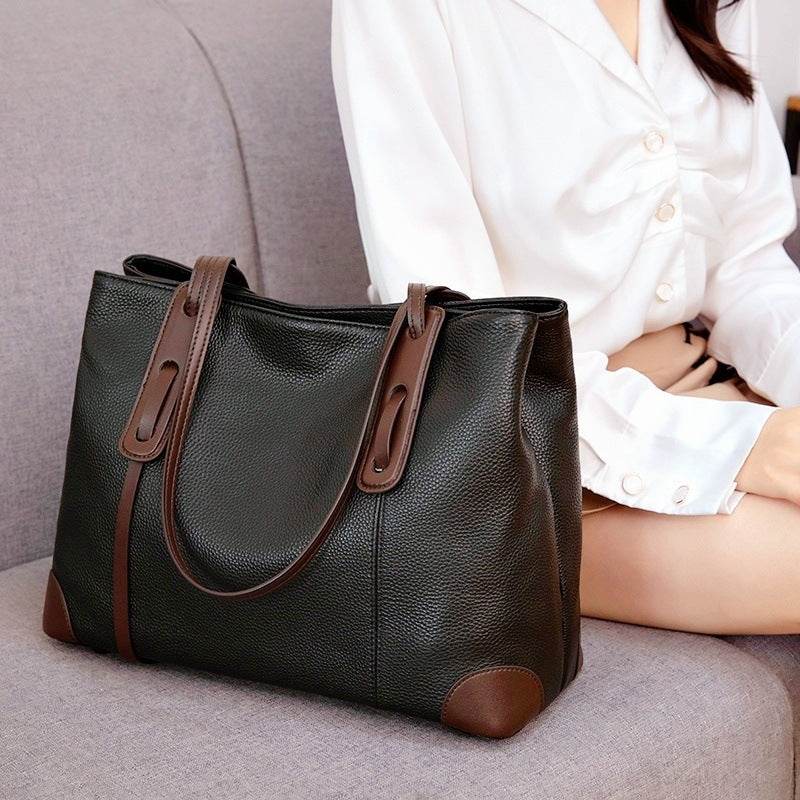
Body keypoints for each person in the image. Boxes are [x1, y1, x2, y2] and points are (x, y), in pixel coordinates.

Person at [331, 0, 800, 635]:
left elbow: (746, 264)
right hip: (523, 442)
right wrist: (749, 448)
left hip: (700, 385)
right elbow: (467, 340)